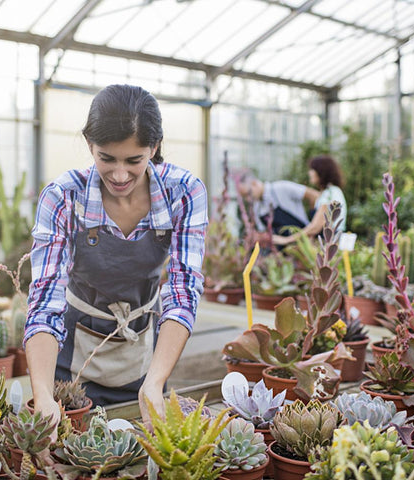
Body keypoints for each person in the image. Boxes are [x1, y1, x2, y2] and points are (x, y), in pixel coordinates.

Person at [24, 84, 208, 430]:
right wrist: (43, 395)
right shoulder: (63, 197)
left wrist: (155, 382)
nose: (120, 175)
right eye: (106, 158)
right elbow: (45, 302)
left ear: (154, 147)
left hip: (145, 356)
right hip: (71, 360)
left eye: (134, 160)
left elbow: (183, 291)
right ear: (89, 144)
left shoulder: (184, 192)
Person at [272, 154, 347, 246]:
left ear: (321, 171)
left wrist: (286, 240)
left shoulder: (330, 193)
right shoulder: (328, 192)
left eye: (312, 169)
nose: (309, 173)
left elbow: (316, 227)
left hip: (330, 245)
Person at [237, 172, 320, 243]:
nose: (248, 199)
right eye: (244, 197)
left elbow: (315, 196)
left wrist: (313, 223)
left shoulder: (281, 188)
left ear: (254, 183)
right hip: (286, 250)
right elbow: (264, 231)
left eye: (248, 194)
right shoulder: (257, 208)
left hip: (306, 241)